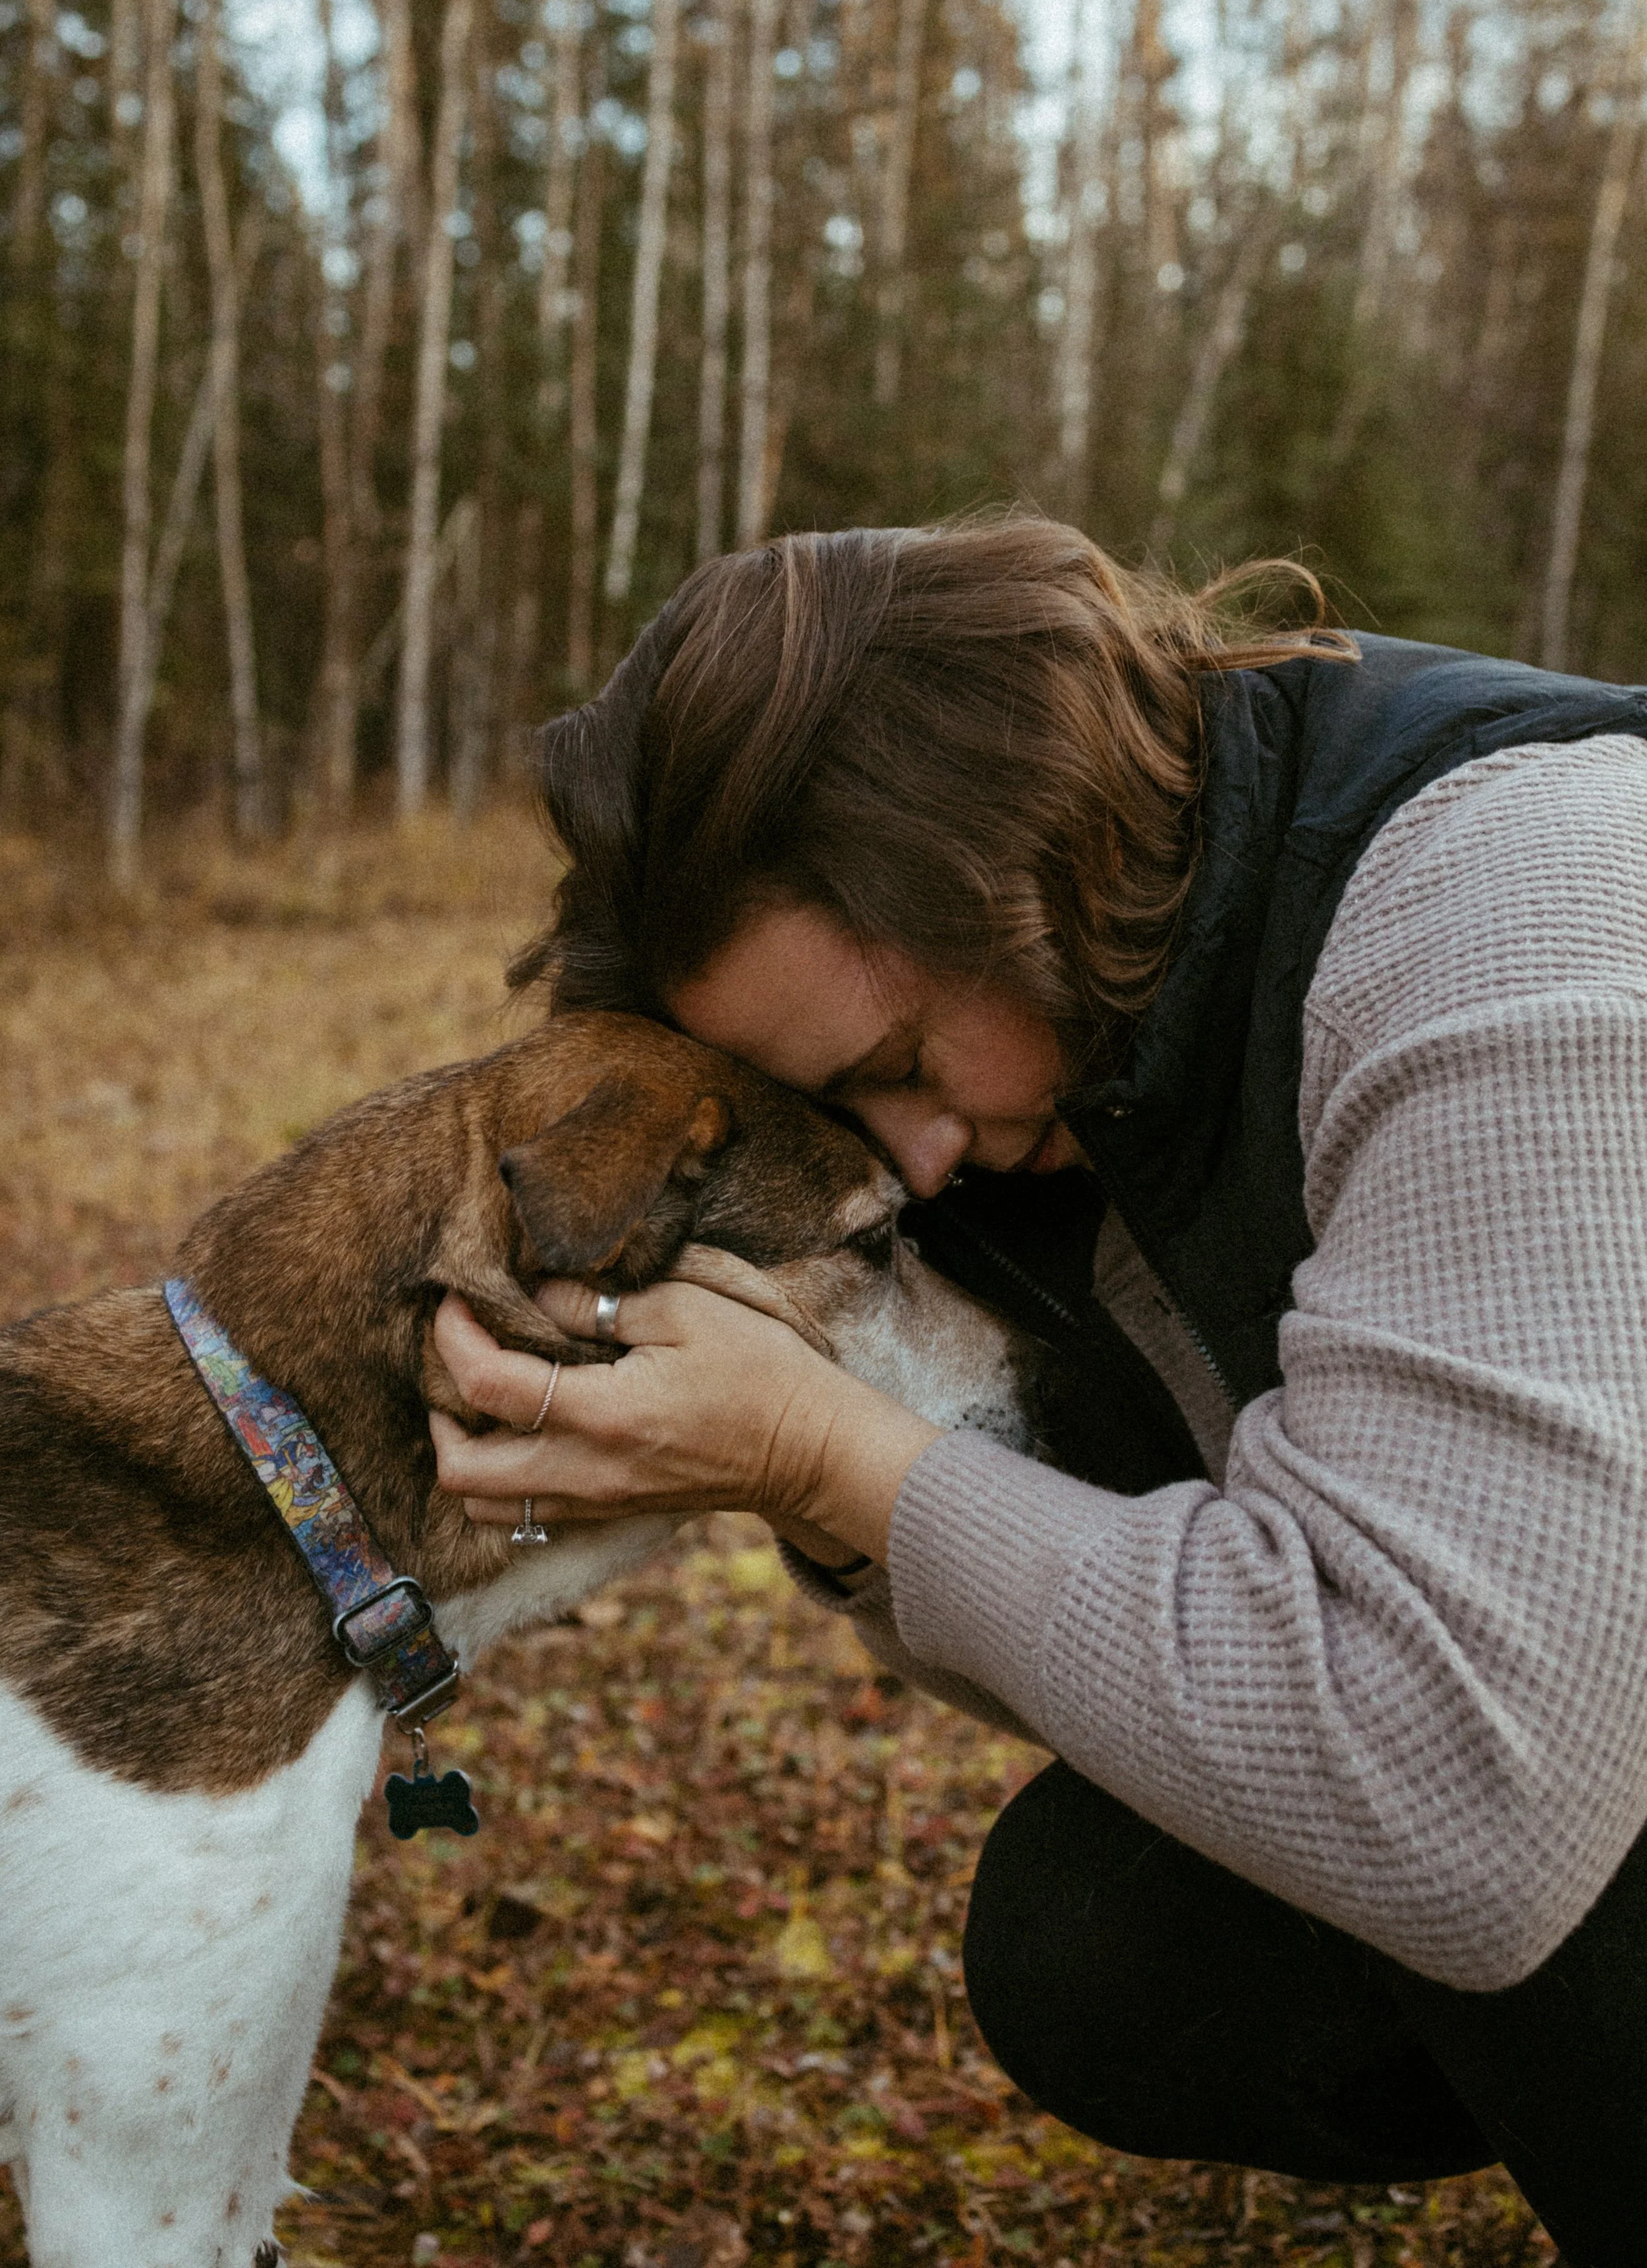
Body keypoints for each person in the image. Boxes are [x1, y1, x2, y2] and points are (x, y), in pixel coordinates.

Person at [430, 515, 1647, 2267]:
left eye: (899, 1062)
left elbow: (1459, 1786)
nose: (915, 1152)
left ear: (1001, 858)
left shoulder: (1515, 899)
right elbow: (1184, 1694)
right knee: (1115, 1950)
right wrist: (819, 1478)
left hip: (1532, 1754)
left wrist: (834, 1451)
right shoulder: (1082, 1058)